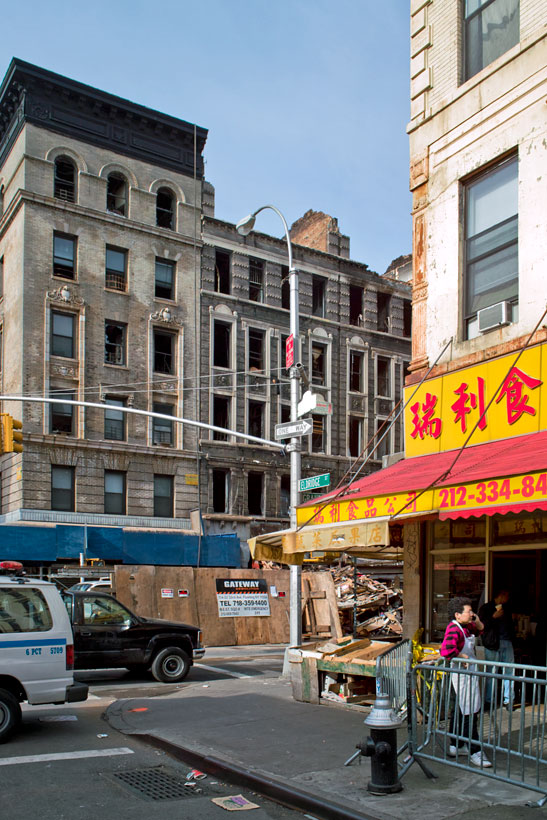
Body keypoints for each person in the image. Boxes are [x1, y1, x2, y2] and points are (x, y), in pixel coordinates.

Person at [440, 596, 492, 768]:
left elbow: (481, 629)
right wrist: (461, 656)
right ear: (457, 614)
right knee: (470, 712)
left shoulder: (466, 627)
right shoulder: (454, 628)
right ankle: (475, 751)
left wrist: (475, 619)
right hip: (462, 676)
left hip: (468, 674)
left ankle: (456, 745)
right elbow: (446, 650)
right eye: (468, 611)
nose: (471, 614)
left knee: (460, 710)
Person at [479, 590, 516, 709]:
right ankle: (489, 700)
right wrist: (493, 617)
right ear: (501, 595)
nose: (508, 598)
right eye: (507, 595)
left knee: (509, 671)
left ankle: (508, 700)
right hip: (492, 643)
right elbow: (481, 626)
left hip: (507, 642)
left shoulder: (507, 608)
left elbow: (511, 625)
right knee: (491, 672)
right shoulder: (486, 608)